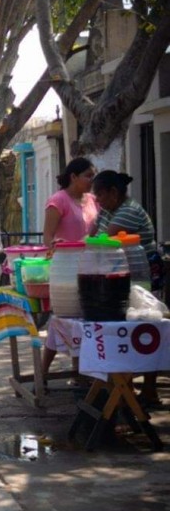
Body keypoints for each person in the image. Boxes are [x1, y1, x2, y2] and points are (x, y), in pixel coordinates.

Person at [93, 169, 162, 406]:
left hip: (139, 279)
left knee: (146, 329)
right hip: (118, 277)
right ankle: (126, 388)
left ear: (114, 192)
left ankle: (148, 389)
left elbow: (105, 242)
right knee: (125, 330)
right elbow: (91, 237)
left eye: (100, 195)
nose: (97, 200)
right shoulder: (107, 211)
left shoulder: (128, 211)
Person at [41, 157, 99, 377]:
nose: (91, 180)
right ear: (73, 177)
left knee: (85, 320)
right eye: (88, 176)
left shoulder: (94, 200)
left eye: (93, 176)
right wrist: (56, 245)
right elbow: (48, 237)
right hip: (65, 269)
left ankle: (80, 371)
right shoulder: (58, 201)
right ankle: (44, 372)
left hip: (90, 267)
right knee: (64, 321)